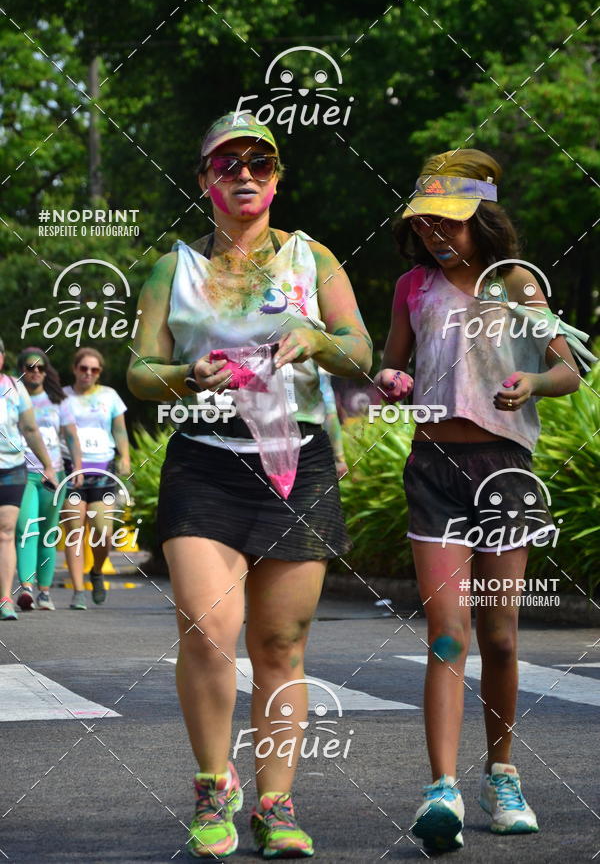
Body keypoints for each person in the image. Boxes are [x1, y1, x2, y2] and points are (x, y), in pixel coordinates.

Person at [127, 112, 372, 859]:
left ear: (276, 178)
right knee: (207, 630)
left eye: (259, 163)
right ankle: (212, 788)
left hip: (298, 464)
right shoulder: (174, 267)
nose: (244, 174)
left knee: (280, 644)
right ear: (204, 178)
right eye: (227, 162)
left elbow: (361, 352)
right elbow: (139, 370)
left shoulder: (313, 258)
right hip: (205, 461)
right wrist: (182, 375)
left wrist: (318, 339)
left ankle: (274, 802)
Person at [375, 149, 584, 852]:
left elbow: (569, 369)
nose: (438, 235)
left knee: (499, 634)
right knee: (446, 630)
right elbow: (392, 361)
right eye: (428, 223)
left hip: (505, 468)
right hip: (432, 465)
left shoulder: (516, 283)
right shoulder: (412, 286)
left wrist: (532, 384)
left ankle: (501, 774)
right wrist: (389, 381)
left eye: (452, 224)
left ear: (482, 221)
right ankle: (441, 789)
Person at [15, 348, 83, 612]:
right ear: (21, 370)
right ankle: (27, 589)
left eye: (40, 367)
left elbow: (71, 436)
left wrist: (77, 466)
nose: (35, 372)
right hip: (22, 473)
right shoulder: (12, 398)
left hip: (54, 475)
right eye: (30, 367)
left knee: (47, 535)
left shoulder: (58, 400)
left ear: (46, 371)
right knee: (26, 529)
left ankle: (44, 591)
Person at [62, 347, 130, 610]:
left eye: (94, 369)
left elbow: (120, 431)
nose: (88, 373)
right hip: (71, 470)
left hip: (103, 469)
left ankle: (97, 571)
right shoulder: (62, 397)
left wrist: (124, 456)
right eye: (83, 368)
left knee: (104, 531)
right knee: (74, 532)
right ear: (75, 369)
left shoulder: (109, 395)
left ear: (99, 372)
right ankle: (78, 591)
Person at [0, 338, 58, 621]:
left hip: (12, 467)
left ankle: (5, 600)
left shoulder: (15, 387)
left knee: (7, 532)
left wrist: (47, 464)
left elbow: (30, 428)